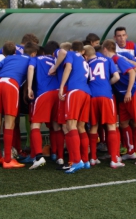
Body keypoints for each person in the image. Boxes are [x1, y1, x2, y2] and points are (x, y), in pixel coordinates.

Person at [0, 42, 38, 169]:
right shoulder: (32, 60)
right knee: (10, 122)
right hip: (11, 84)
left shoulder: (10, 57)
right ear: (34, 53)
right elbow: (32, 72)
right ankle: (8, 160)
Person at [101, 39, 136, 165]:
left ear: (105, 49)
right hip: (122, 97)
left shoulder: (117, 58)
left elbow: (133, 72)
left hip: (133, 93)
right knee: (123, 123)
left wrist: (129, 91)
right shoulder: (108, 61)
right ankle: (131, 152)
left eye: (102, 49)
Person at [83, 45, 123, 168]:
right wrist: (107, 84)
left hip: (92, 96)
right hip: (106, 95)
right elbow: (117, 77)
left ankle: (93, 158)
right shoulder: (107, 60)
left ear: (86, 55)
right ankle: (114, 159)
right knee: (111, 126)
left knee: (94, 126)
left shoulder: (86, 64)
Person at [58, 41, 92, 174]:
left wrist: (62, 86)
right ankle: (85, 160)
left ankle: (77, 161)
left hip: (75, 91)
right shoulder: (84, 60)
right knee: (81, 127)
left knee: (70, 125)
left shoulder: (71, 54)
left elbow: (68, 68)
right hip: (86, 92)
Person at [27, 41, 61, 170]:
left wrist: (30, 88)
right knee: (56, 124)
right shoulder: (57, 59)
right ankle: (58, 156)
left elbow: (30, 68)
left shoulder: (36, 59)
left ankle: (38, 157)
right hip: (58, 93)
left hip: (44, 93)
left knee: (35, 124)